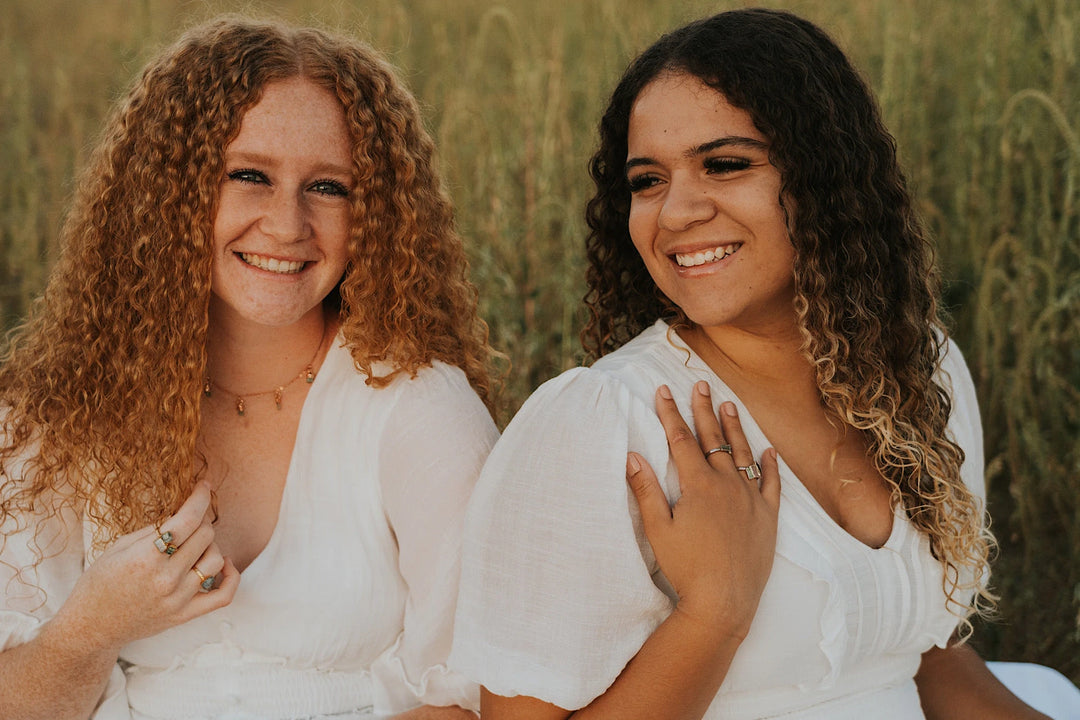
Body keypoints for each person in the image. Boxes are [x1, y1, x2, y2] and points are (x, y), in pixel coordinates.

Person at [451, 9, 1059, 720]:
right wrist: (714, 611)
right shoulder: (601, 428)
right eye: (646, 181)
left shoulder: (921, 375)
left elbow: (919, 660)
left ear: (825, 179)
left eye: (726, 164)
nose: (674, 212)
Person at [0, 17, 496, 720]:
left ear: (376, 215)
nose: (287, 224)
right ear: (166, 193)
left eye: (329, 187)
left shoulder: (418, 407)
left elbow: (479, 698)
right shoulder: (55, 415)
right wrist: (91, 628)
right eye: (249, 176)